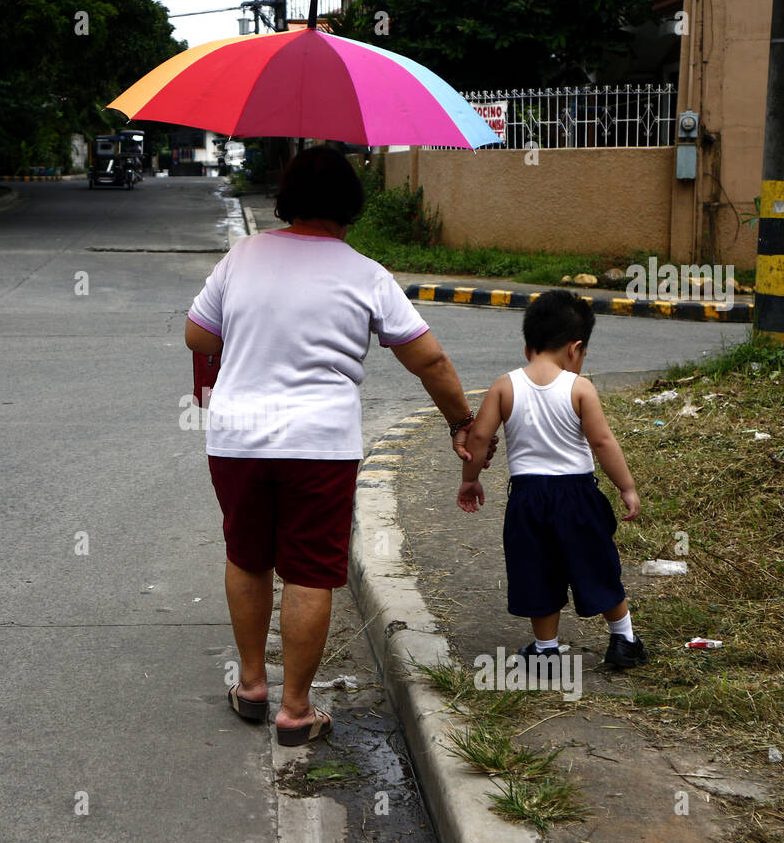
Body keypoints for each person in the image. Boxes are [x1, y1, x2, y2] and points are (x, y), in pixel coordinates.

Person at [185, 146, 489, 746]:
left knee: (248, 555)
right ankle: (295, 711)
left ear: (285, 200)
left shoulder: (242, 255)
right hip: (319, 445)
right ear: (351, 206)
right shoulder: (365, 273)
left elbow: (197, 333)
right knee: (309, 571)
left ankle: (250, 686)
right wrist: (462, 420)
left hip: (238, 438)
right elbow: (427, 358)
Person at [456, 290, 648, 669]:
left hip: (528, 499)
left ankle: (545, 651)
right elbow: (602, 442)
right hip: (577, 495)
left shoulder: (504, 386)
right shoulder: (580, 388)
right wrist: (626, 486)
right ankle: (624, 638)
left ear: (529, 347)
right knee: (596, 563)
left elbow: (478, 437)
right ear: (575, 349)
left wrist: (470, 479)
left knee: (536, 570)